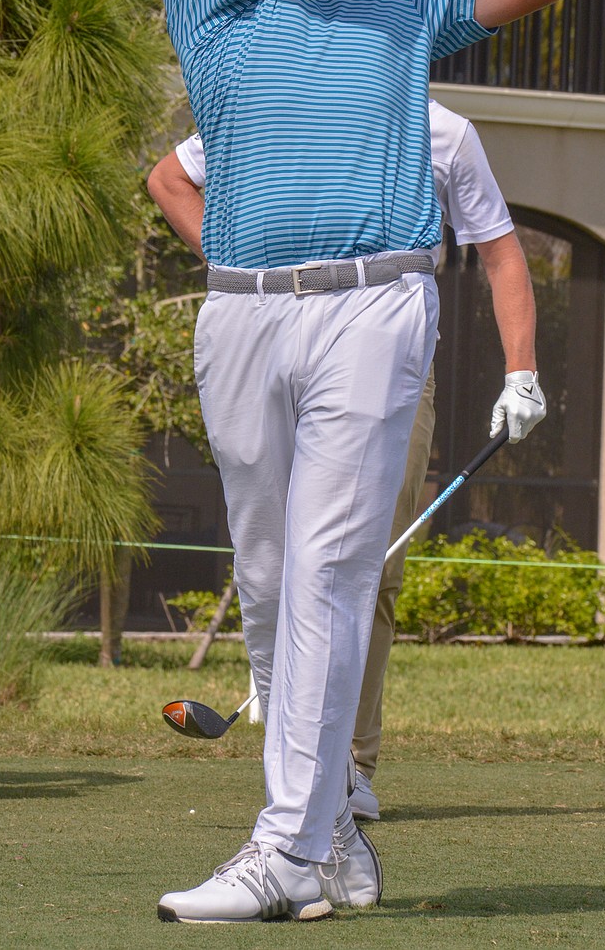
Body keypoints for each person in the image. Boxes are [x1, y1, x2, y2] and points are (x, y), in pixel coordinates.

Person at [155, 0, 581, 924]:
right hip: (240, 310)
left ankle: (289, 847)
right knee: (266, 585)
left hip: (371, 302)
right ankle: (333, 826)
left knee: (330, 570)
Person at [148, 98, 545, 823]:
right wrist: (235, 264)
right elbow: (169, 178)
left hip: (389, 365)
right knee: (273, 556)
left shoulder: (446, 133)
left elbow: (500, 249)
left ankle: (350, 766)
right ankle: (294, 748)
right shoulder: (277, 102)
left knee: (371, 564)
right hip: (268, 337)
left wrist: (521, 370)